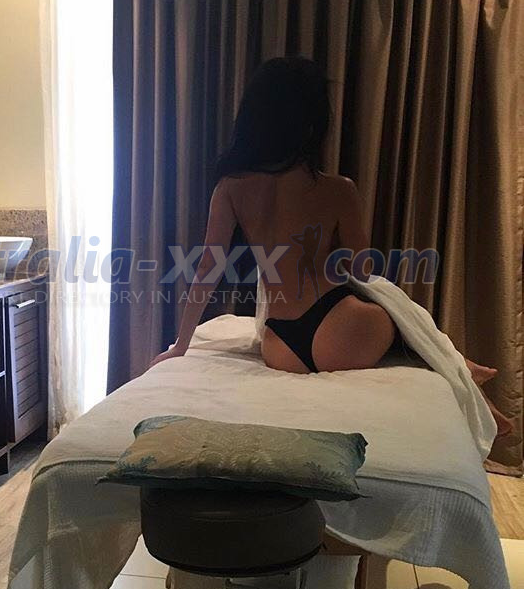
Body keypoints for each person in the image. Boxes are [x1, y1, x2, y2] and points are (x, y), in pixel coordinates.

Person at [149, 57, 513, 437]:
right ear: (312, 122)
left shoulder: (230, 188)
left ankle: (464, 368)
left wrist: (180, 345)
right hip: (339, 330)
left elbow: (207, 270)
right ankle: (461, 368)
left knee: (390, 312)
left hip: (280, 346)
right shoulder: (339, 189)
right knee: (397, 310)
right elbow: (361, 270)